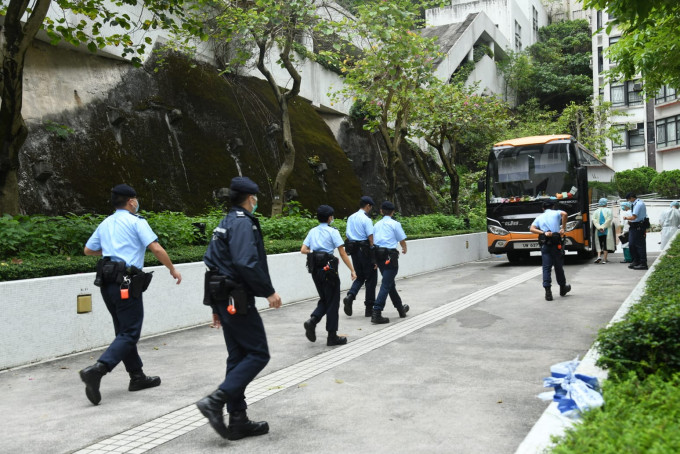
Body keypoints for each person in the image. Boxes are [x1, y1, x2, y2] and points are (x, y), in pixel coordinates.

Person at [80, 184, 182, 406]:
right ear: (131, 201)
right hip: (125, 282)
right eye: (135, 199)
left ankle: (137, 377)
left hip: (107, 283)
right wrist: (172, 269)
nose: (137, 202)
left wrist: (111, 251)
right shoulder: (137, 222)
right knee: (130, 332)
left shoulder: (106, 223)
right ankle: (98, 369)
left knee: (123, 331)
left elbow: (88, 250)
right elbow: (155, 248)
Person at [197, 176, 282, 440]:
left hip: (223, 296)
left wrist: (214, 305)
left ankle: (238, 419)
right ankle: (216, 400)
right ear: (251, 199)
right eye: (256, 199)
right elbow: (245, 262)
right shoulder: (243, 223)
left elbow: (212, 265)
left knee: (238, 357)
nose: (256, 202)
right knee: (258, 354)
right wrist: (268, 291)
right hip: (236, 297)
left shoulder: (225, 222)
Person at [301, 205, 357, 346]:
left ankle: (312, 321)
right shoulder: (333, 232)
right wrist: (352, 269)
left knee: (325, 299)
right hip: (329, 270)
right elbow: (342, 253)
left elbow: (303, 250)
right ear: (329, 218)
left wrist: (316, 254)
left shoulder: (312, 231)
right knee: (332, 302)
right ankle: (331, 336)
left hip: (315, 270)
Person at [371, 201, 409, 324]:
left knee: (390, 284)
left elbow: (374, 242)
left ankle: (400, 309)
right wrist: (404, 247)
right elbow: (401, 239)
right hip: (390, 257)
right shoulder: (395, 224)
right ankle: (376, 311)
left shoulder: (376, 225)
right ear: (393, 212)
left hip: (379, 256)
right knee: (386, 284)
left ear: (381, 211)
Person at [343, 196, 377, 318]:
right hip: (365, 250)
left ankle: (350, 296)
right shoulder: (366, 219)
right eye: (370, 207)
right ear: (367, 206)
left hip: (353, 250)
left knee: (360, 276)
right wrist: (374, 253)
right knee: (371, 278)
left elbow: (347, 234)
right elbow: (370, 237)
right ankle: (369, 309)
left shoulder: (351, 217)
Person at [529, 200, 571, 301]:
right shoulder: (556, 213)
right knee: (558, 266)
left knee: (546, 267)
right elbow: (565, 214)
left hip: (545, 243)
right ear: (553, 207)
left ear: (543, 208)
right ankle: (562, 288)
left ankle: (548, 293)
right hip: (556, 242)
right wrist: (563, 228)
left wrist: (543, 232)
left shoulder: (539, 217)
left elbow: (532, 228)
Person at [623, 192, 648, 270]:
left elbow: (634, 217)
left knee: (639, 245)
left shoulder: (638, 204)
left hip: (638, 227)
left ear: (631, 197)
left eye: (629, 199)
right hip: (634, 226)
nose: (629, 201)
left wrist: (626, 218)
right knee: (632, 245)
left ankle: (643, 263)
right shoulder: (635, 204)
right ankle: (636, 261)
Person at [592, 198, 615, 264]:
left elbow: (594, 220)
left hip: (598, 230)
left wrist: (599, 228)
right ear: (606, 203)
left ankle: (599, 256)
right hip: (606, 230)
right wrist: (603, 227)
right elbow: (609, 220)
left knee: (598, 243)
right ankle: (605, 259)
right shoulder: (609, 210)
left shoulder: (596, 211)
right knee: (605, 244)